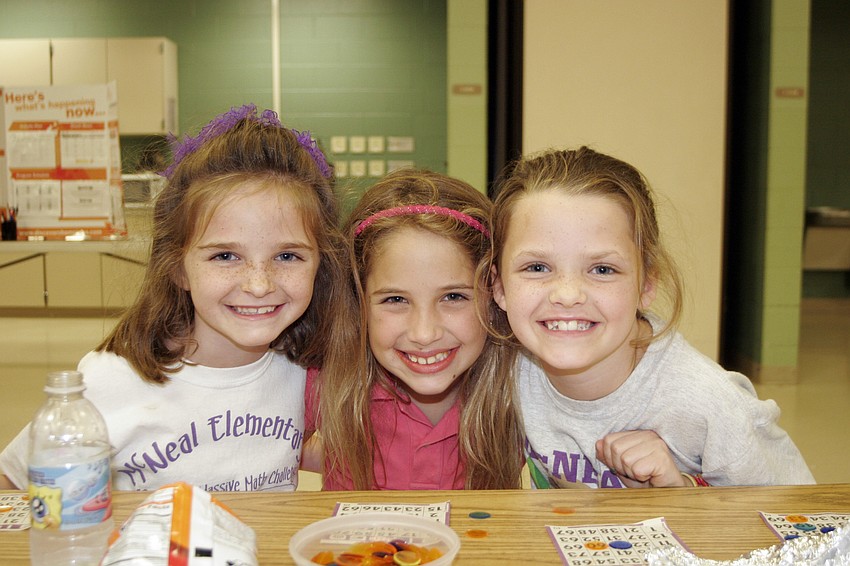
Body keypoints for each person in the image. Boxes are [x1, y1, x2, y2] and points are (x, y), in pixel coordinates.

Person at [0, 104, 349, 492]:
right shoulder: (110, 381)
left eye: (287, 256)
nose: (258, 284)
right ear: (178, 267)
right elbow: (13, 480)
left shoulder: (301, 369)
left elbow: (276, 448)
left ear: (321, 263)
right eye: (225, 256)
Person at [490, 146, 815, 488]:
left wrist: (681, 492)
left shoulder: (712, 405)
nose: (568, 295)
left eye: (603, 269)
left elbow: (801, 521)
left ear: (646, 284)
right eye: (537, 267)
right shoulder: (502, 372)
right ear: (499, 286)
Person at [305, 169, 524, 490]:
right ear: (359, 301)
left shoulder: (521, 389)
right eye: (395, 299)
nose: (424, 333)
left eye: (453, 297)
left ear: (494, 294)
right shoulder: (327, 380)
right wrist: (338, 453)